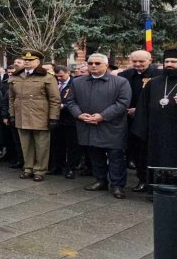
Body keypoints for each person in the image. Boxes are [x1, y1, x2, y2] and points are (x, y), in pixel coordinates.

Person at [67, 53, 132, 200]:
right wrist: (79, 115)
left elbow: (122, 103)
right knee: (95, 155)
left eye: (97, 63)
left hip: (112, 126)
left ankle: (117, 185)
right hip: (88, 125)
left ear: (106, 65)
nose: (93, 66)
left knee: (116, 157)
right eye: (91, 63)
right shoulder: (78, 82)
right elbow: (71, 101)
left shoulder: (121, 82)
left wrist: (102, 116)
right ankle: (100, 180)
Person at [9, 50, 60, 181]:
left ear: (38, 62)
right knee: (26, 144)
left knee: (41, 145)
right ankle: (28, 168)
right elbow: (11, 98)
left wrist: (53, 117)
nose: (27, 62)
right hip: (22, 115)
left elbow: (54, 99)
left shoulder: (47, 77)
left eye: (30, 60)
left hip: (40, 116)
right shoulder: (16, 76)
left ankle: (40, 170)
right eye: (25, 60)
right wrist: (12, 114)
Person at [132, 48, 177, 185]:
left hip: (175, 131)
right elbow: (142, 108)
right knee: (155, 159)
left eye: (174, 61)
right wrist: (141, 130)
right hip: (155, 132)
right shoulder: (154, 82)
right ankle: (155, 189)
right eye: (167, 61)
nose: (169, 64)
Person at [117, 50, 160, 192]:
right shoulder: (124, 75)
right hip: (126, 118)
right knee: (134, 152)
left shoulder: (158, 76)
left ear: (150, 60)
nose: (137, 64)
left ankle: (151, 181)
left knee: (146, 152)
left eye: (141, 61)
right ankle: (141, 179)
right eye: (134, 61)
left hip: (148, 120)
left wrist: (139, 109)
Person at [49, 65, 81, 179]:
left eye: (61, 76)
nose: (59, 78)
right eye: (57, 76)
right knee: (56, 145)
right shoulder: (54, 83)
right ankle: (57, 166)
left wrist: (65, 106)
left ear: (68, 73)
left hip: (70, 119)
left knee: (72, 146)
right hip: (56, 119)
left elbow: (78, 101)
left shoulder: (75, 84)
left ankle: (71, 168)